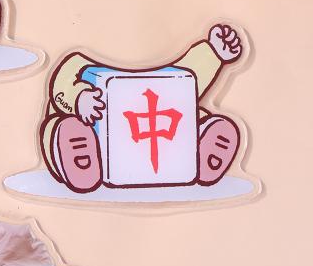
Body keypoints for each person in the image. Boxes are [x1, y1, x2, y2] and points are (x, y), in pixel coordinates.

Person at [40, 24, 243, 192]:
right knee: (64, 127)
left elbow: (191, 76)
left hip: (164, 133)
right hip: (89, 125)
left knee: (189, 112)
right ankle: (74, 158)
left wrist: (212, 53)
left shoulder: (169, 67)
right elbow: (61, 88)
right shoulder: (79, 63)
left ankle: (201, 144)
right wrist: (79, 98)